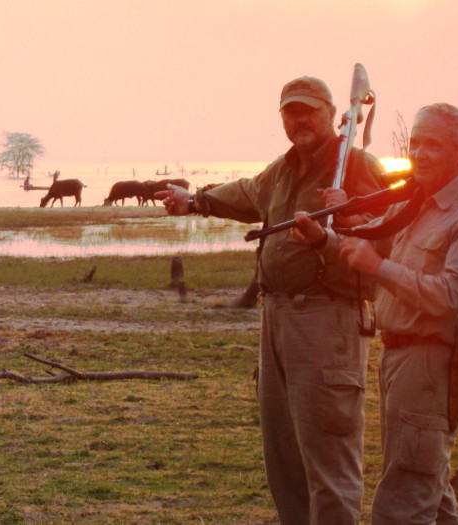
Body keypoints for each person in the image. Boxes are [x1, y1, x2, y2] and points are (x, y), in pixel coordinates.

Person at [158, 76, 385, 524]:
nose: (300, 119)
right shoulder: (282, 170)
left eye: (310, 110)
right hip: (276, 318)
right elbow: (245, 193)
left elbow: (389, 238)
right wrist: (194, 201)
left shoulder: (356, 165)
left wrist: (346, 219)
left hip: (327, 319)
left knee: (329, 461)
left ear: (332, 112)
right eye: (290, 111)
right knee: (283, 457)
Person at [291, 102, 458, 524]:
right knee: (430, 490)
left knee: (403, 503)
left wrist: (376, 267)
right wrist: (324, 240)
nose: (420, 153)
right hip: (399, 359)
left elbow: (448, 297)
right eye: (415, 143)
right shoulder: (416, 204)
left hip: (432, 363)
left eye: (433, 145)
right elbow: (374, 246)